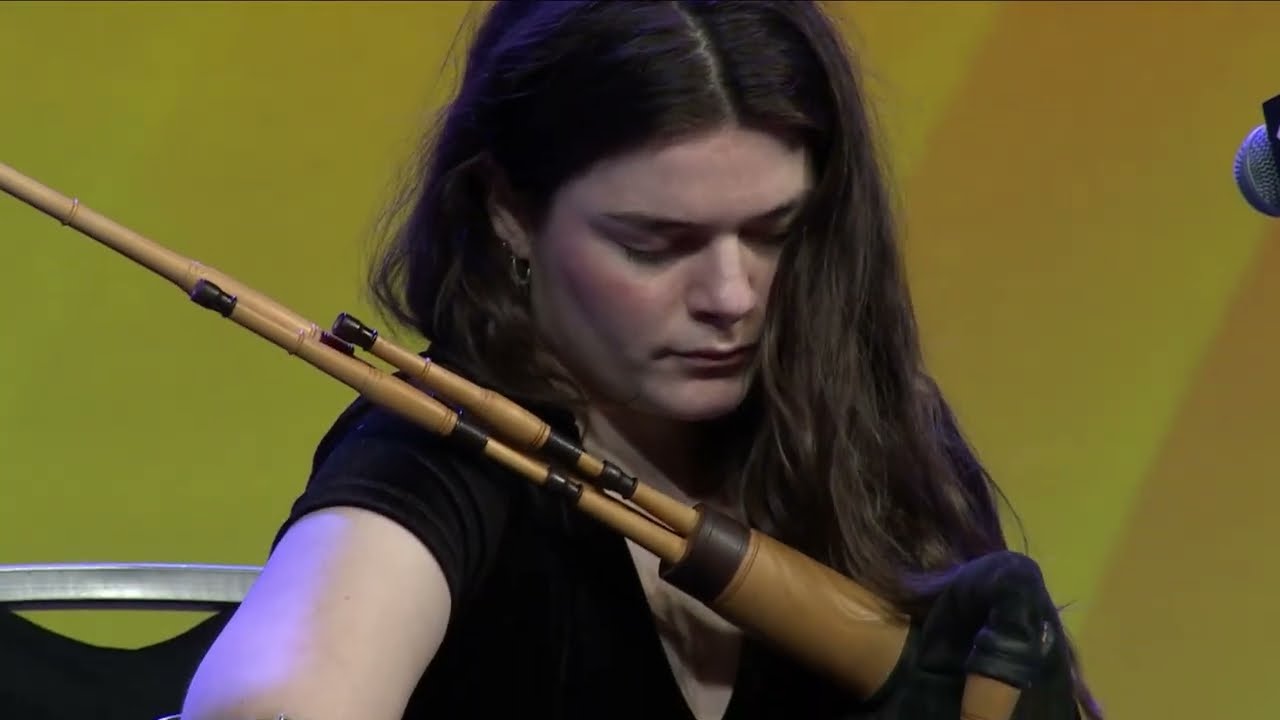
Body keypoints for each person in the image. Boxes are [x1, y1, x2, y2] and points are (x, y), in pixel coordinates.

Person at [180, 2, 1102, 718]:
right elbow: (275, 698)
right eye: (655, 244)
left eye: (774, 232)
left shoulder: (870, 432)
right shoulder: (437, 450)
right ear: (508, 210)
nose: (732, 295)